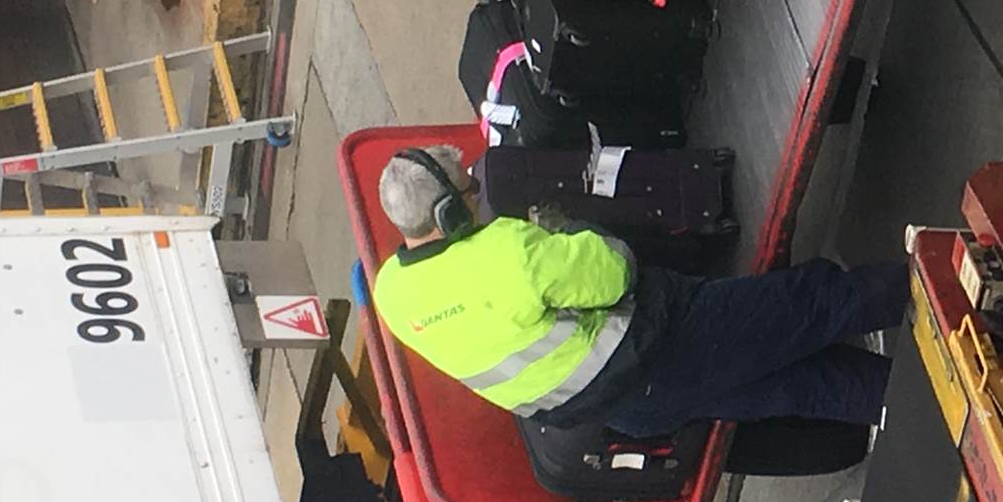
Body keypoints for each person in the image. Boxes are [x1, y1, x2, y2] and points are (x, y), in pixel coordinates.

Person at [369, 147, 898, 461]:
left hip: (630, 411)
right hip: (663, 344)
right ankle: (931, 285)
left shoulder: (392, 294)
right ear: (449, 215)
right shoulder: (505, 254)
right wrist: (569, 230)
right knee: (812, 302)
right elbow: (614, 271)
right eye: (469, 193)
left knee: (797, 385)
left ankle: (907, 405)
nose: (477, 198)